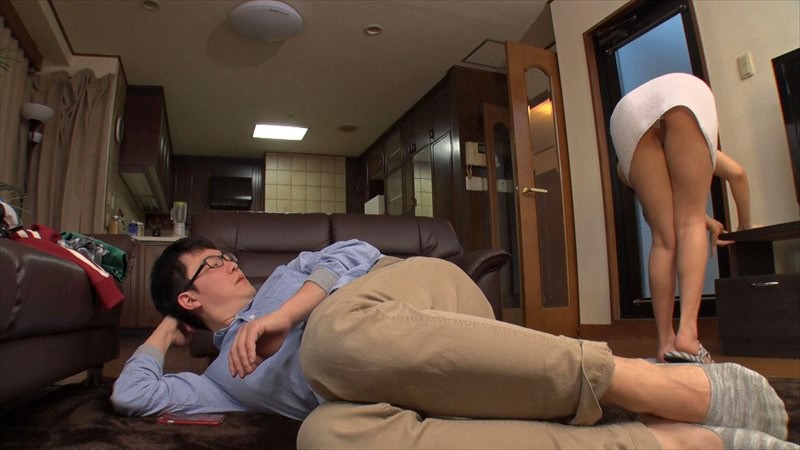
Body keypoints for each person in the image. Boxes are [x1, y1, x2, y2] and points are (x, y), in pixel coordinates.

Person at [111, 236, 796, 449]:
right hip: (413, 390)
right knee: (323, 436)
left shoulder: (289, 275)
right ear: (190, 297)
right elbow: (133, 394)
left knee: (328, 345)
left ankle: (655, 383)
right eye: (212, 264)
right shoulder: (220, 382)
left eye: (227, 254)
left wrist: (285, 316)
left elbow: (356, 253)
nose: (230, 262)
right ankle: (656, 443)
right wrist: (170, 328)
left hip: (426, 301)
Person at [610, 72, 756, 364]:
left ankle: (665, 342)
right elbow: (738, 174)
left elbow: (661, 209)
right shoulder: (694, 143)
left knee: (664, 239)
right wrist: (744, 226)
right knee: (689, 224)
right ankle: (688, 334)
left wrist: (703, 218)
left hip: (625, 115)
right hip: (683, 93)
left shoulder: (625, 171)